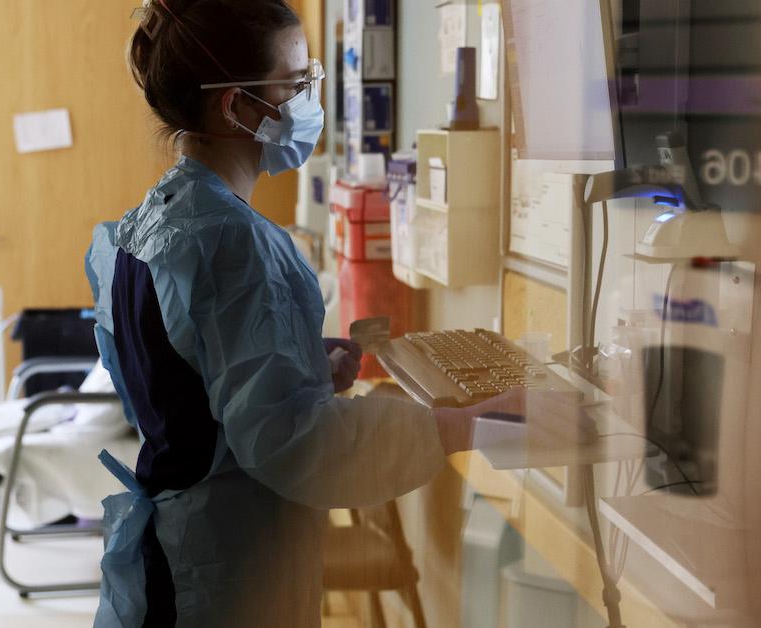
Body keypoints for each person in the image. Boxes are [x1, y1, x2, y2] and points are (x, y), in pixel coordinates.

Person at [85, 2, 578, 626]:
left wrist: (298, 361)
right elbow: (299, 448)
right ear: (235, 106)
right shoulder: (233, 242)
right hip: (227, 569)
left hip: (182, 550)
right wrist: (463, 426)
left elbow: (179, 374)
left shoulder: (156, 217)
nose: (308, 100)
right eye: (295, 85)